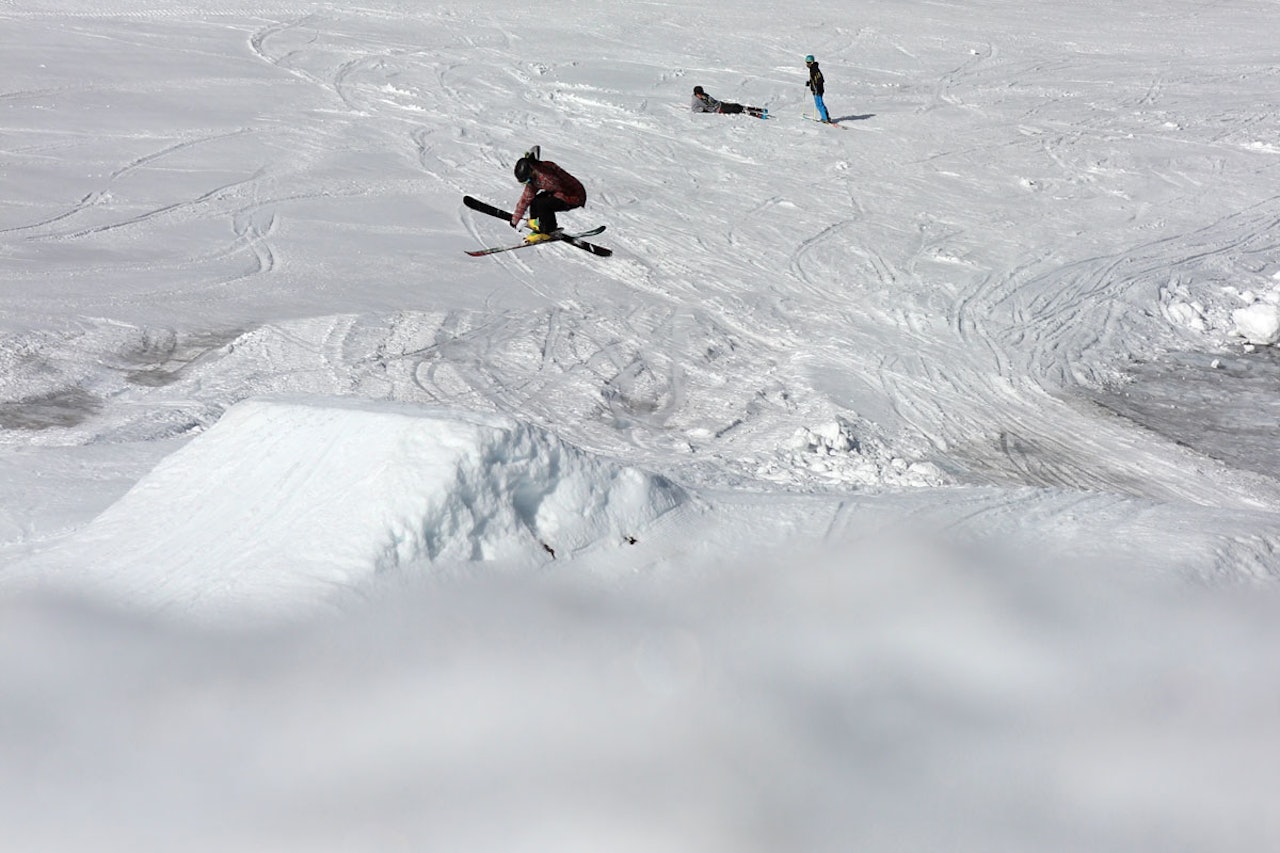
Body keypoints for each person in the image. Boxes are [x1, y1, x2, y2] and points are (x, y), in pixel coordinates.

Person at [510, 146, 586, 243]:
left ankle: (548, 230)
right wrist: (516, 218)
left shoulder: (546, 178)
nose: (528, 183)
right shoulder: (536, 173)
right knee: (535, 201)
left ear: (531, 171)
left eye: (527, 180)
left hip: (574, 196)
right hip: (561, 192)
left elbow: (559, 188)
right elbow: (526, 198)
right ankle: (538, 229)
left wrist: (540, 222)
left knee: (543, 204)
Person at [691, 86, 767, 119]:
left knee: (735, 105)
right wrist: (704, 110)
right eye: (699, 94)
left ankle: (744, 108)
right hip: (717, 109)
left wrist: (709, 99)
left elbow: (712, 100)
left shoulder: (704, 95)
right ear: (696, 94)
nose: (701, 95)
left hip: (719, 104)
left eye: (701, 93)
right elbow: (694, 109)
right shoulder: (695, 100)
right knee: (734, 109)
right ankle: (743, 110)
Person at [804, 55, 830, 123]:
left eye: (809, 62)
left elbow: (820, 80)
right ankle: (825, 117)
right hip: (816, 89)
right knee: (818, 104)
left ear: (812, 62)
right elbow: (814, 80)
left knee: (819, 104)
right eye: (807, 62)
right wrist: (810, 83)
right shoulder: (812, 69)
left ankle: (825, 118)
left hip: (818, 90)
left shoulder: (815, 69)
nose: (807, 64)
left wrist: (817, 88)